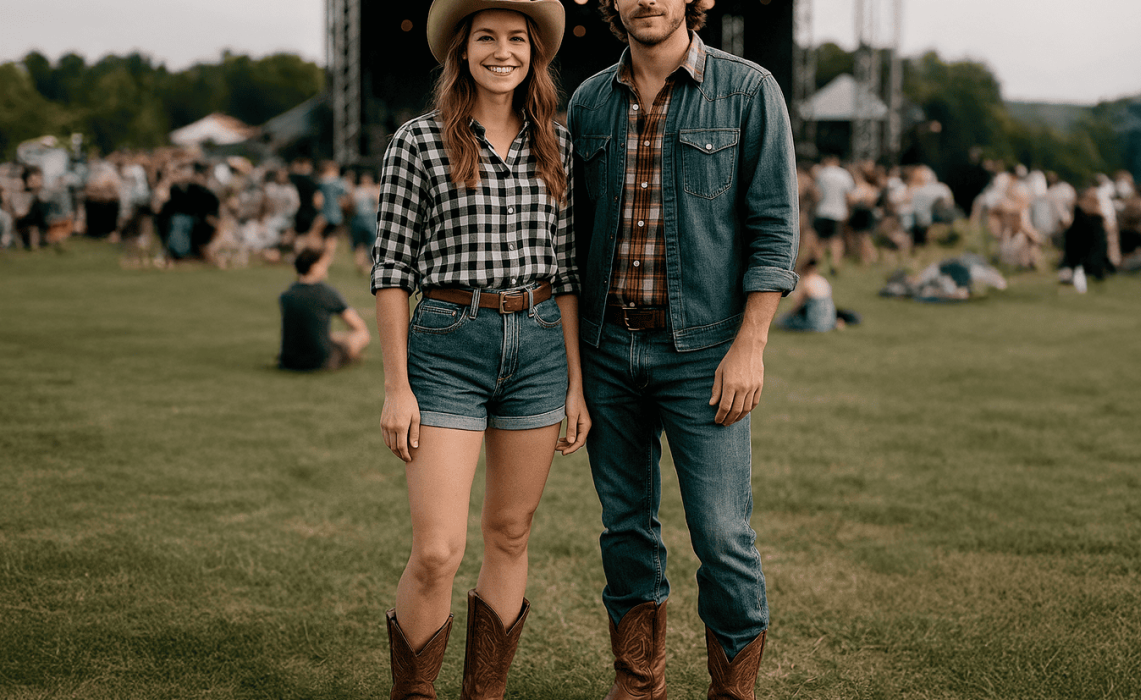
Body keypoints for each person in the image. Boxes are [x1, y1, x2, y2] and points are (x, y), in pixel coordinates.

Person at [569, 1, 799, 697]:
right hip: (608, 352)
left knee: (723, 537)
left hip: (705, 356)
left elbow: (775, 227)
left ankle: (733, 691)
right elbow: (570, 244)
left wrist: (749, 345)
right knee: (625, 531)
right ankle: (638, 683)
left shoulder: (749, 90)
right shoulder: (587, 102)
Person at [370, 1, 588, 698]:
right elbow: (391, 271)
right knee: (437, 551)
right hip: (447, 346)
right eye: (486, 38)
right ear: (461, 52)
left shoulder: (557, 143)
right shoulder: (418, 141)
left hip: (540, 350)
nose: (503, 52)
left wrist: (576, 385)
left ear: (535, 54)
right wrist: (396, 386)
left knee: (510, 533)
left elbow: (570, 273)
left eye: (517, 40)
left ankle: (484, 692)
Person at [277, 246, 370, 370]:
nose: (327, 267)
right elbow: (358, 325)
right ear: (314, 267)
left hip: (288, 360)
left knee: (331, 336)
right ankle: (351, 356)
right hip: (320, 360)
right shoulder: (326, 293)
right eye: (323, 264)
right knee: (362, 335)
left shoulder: (287, 295)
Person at [811, 152, 856, 274]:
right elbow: (849, 196)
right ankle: (835, 265)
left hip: (822, 210)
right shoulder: (844, 174)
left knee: (821, 240)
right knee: (836, 240)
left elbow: (816, 194)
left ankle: (815, 265)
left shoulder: (822, 173)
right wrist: (848, 210)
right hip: (838, 212)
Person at [776, 256, 839, 332]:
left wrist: (789, 315)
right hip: (829, 322)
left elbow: (798, 305)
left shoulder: (806, 282)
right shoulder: (823, 280)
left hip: (813, 323)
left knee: (782, 321)